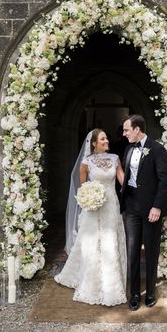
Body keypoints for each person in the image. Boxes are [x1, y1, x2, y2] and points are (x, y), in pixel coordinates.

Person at [54, 128, 127, 306]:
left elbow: (122, 180)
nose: (107, 141)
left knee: (110, 241)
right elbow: (82, 188)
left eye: (107, 138)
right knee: (92, 243)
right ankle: (91, 283)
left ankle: (111, 286)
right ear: (94, 143)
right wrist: (89, 199)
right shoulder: (86, 163)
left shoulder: (115, 158)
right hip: (93, 208)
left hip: (111, 205)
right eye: (103, 138)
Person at [120, 114, 167, 311]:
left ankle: (149, 292)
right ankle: (134, 294)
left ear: (137, 129)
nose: (124, 134)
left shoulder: (157, 149)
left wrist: (157, 206)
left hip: (151, 209)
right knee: (132, 251)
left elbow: (164, 180)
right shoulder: (128, 148)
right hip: (131, 207)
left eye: (126, 130)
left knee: (150, 251)